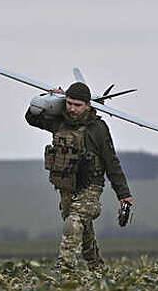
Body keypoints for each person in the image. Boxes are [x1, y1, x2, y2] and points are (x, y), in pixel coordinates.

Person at [25, 82, 135, 275]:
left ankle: (64, 269)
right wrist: (50, 99)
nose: (72, 109)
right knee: (83, 228)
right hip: (67, 185)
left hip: (91, 185)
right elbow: (32, 118)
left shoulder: (98, 128)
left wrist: (123, 194)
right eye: (68, 103)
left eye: (77, 105)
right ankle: (96, 266)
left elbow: (111, 161)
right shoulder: (60, 121)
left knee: (74, 223)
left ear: (88, 105)